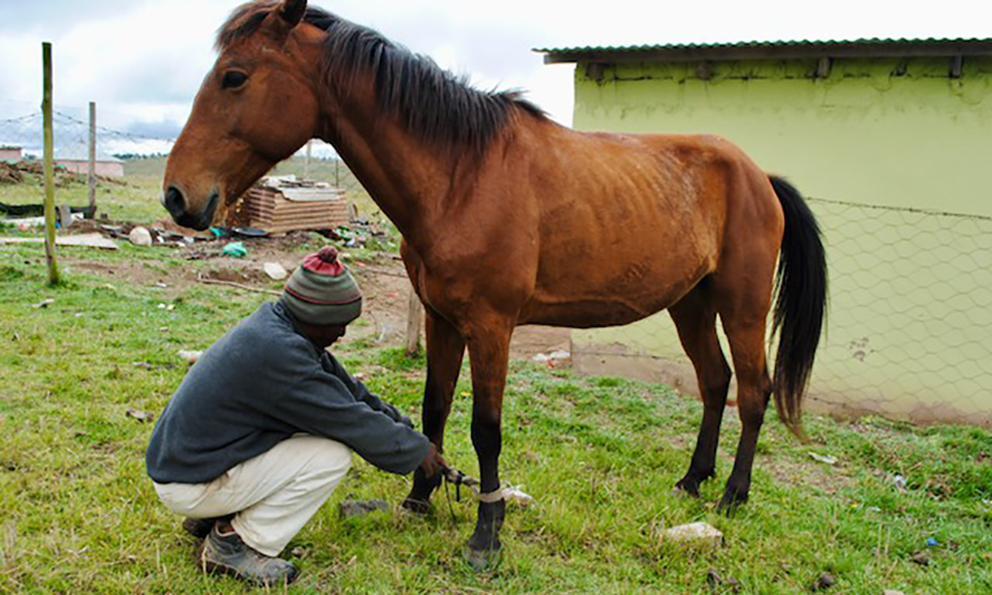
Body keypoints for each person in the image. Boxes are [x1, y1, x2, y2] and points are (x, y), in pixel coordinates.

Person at [145, 246, 444, 587]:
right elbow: (348, 419)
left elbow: (350, 393)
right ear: (314, 318)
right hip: (188, 481)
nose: (342, 334)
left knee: (304, 436)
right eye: (339, 324)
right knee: (329, 455)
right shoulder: (281, 355)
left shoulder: (278, 329)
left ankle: (216, 513)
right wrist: (417, 451)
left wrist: (404, 429)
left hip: (189, 463)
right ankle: (234, 543)